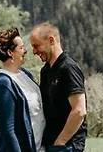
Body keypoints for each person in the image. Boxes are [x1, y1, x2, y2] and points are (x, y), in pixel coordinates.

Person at [29, 23, 87, 152]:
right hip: (50, 144)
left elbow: (79, 111)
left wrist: (60, 142)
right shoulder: (45, 71)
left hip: (67, 146)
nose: (34, 52)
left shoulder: (68, 68)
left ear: (51, 40)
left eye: (36, 46)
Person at [0, 27, 46, 152]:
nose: (25, 50)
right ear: (10, 52)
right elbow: (8, 130)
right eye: (21, 48)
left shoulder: (25, 74)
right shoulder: (3, 85)